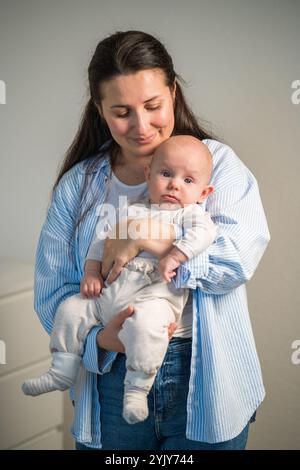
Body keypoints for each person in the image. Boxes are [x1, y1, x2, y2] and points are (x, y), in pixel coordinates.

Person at [32, 31, 270, 450]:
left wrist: (144, 238)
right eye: (122, 111)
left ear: (173, 93)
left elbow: (234, 263)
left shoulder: (217, 167)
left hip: (206, 380)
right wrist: (98, 343)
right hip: (110, 378)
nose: (142, 127)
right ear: (99, 109)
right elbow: (53, 290)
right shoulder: (80, 186)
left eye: (153, 106)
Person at [22, 135, 216, 426]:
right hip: (108, 297)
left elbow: (205, 236)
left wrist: (174, 256)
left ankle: (137, 387)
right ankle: (62, 369)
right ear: (148, 174)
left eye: (189, 181)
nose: (175, 184)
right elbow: (101, 242)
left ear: (204, 192)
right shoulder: (131, 210)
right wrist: (90, 273)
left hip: (154, 298)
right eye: (166, 174)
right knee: (72, 309)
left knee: (149, 327)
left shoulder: (191, 215)